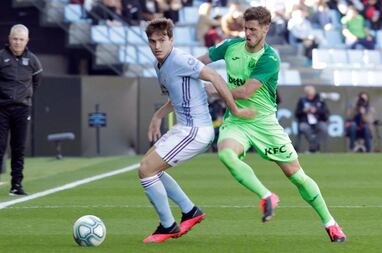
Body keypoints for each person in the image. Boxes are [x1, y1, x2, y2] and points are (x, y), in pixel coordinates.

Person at [197, 6, 346, 242]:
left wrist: (214, 89)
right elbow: (198, 63)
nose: (248, 33)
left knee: (296, 176)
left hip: (265, 124)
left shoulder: (269, 58)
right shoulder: (229, 47)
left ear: (266, 29)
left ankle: (331, 223)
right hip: (238, 121)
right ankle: (266, 195)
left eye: (253, 29)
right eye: (245, 28)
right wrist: (176, 70)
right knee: (226, 154)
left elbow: (246, 91)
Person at [140, 17, 255, 243]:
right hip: (184, 127)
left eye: (162, 40)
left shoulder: (181, 59)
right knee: (150, 168)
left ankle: (168, 226)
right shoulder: (159, 66)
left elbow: (215, 77)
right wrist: (157, 116)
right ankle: (190, 211)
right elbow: (179, 96)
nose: (157, 46)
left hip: (196, 130)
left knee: (146, 170)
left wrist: (235, 110)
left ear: (171, 40)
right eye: (153, 42)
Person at [0, 24, 43, 197]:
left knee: (19, 148)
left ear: (27, 41)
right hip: (2, 108)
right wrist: (1, 94)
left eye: (21, 39)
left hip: (22, 109)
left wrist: (25, 96)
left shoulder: (33, 60)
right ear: (9, 39)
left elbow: (37, 82)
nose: (17, 42)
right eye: (15, 39)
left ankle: (16, 185)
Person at [295, 85, 329, 153]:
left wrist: (316, 110)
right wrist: (303, 111)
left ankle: (312, 147)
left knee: (324, 128)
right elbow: (296, 113)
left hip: (318, 121)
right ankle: (315, 147)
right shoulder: (302, 100)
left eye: (311, 95)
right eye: (309, 95)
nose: (310, 96)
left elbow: (326, 111)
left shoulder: (320, 100)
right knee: (303, 127)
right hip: (306, 122)